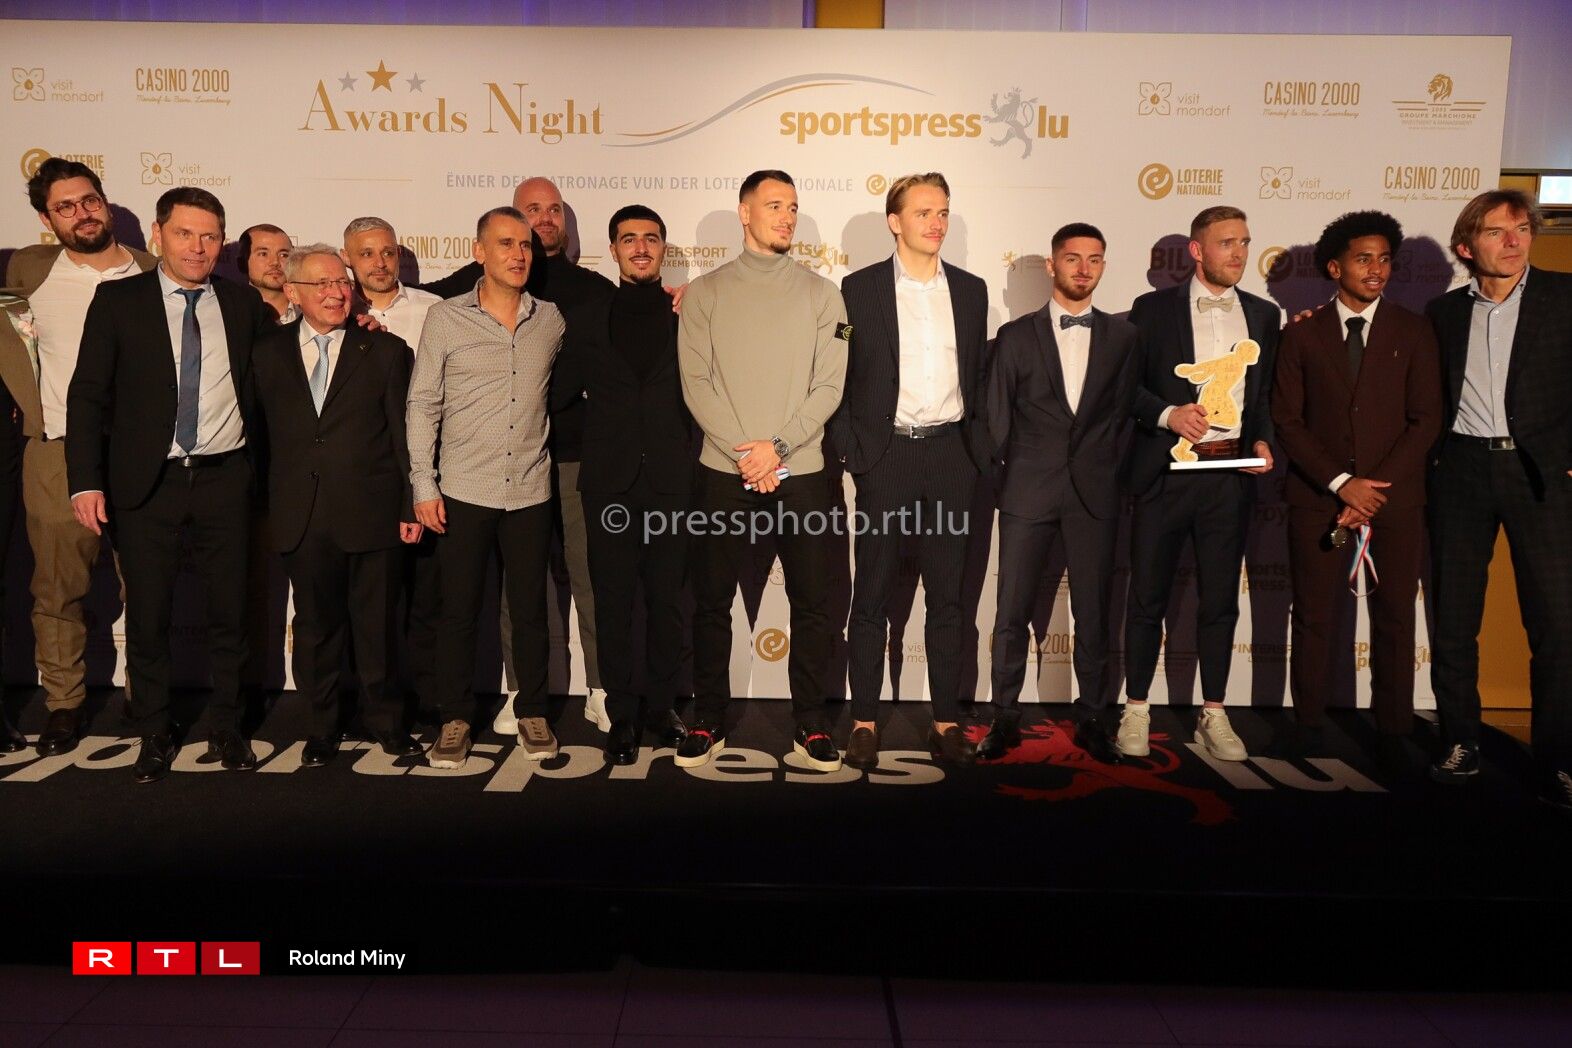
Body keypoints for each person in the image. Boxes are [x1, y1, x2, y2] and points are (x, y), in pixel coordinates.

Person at [66, 186, 273, 783]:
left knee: (231, 613)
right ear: (158, 235)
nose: (197, 247)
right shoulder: (118, 300)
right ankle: (154, 730)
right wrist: (85, 481)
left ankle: (228, 726)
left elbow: (282, 367)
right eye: (184, 233)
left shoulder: (243, 304)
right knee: (149, 615)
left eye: (210, 237)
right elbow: (88, 395)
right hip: (146, 482)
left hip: (225, 478)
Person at [676, 169, 848, 771]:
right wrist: (746, 454)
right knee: (710, 603)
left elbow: (830, 386)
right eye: (774, 205)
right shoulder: (704, 293)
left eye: (793, 207)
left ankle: (811, 724)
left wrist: (775, 447)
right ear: (744, 212)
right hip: (724, 472)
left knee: (814, 603)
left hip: (801, 471)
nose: (787, 216)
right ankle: (707, 719)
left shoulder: (825, 295)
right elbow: (696, 383)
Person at [829, 172, 989, 769]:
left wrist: (978, 449)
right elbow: (837, 368)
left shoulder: (971, 291)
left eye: (943, 212)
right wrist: (854, 450)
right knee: (871, 594)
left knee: (948, 598)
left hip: (951, 458)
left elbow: (979, 377)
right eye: (924, 212)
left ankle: (945, 721)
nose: (936, 223)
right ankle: (864, 721)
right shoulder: (856, 290)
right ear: (895, 222)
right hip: (886, 457)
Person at [1271, 211, 1441, 768]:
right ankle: (1308, 724)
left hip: (1396, 499)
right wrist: (1344, 485)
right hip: (1318, 497)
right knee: (1314, 616)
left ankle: (1393, 728)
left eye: (1385, 259)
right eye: (1364, 259)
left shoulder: (1415, 331)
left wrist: (1373, 490)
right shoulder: (1300, 334)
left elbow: (1426, 419)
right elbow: (1288, 420)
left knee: (1395, 617)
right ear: (1334, 267)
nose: (1376, 270)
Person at [1425, 189, 1572, 810]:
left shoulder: (1564, 297)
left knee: (1558, 624)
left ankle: (1558, 759)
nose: (1514, 241)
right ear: (1467, 247)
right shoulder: (1441, 312)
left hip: (1541, 474)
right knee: (1455, 616)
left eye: (1522, 229)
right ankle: (1461, 740)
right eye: (1496, 232)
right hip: (1460, 469)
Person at [1118, 205, 1280, 762]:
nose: (1239, 253)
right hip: (1165, 474)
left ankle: (1214, 712)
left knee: (1220, 601)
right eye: (1227, 242)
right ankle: (1136, 708)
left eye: (1245, 242)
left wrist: (1263, 442)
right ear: (1197, 250)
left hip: (1228, 480)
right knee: (1147, 597)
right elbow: (1127, 388)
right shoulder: (1151, 309)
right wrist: (1169, 415)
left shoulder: (1265, 315)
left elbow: (1263, 397)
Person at [251, 244, 424, 766]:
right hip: (299, 516)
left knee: (377, 628)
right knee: (315, 629)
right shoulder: (264, 353)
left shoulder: (386, 351)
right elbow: (257, 437)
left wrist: (410, 504)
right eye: (322, 283)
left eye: (342, 283)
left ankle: (387, 723)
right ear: (293, 292)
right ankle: (321, 727)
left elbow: (405, 437)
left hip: (373, 512)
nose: (336, 292)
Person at [7, 158, 155, 756]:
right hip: (58, 451)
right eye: (65, 207)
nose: (82, 213)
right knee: (57, 588)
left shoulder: (151, 269)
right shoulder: (29, 271)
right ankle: (64, 703)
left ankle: (146, 695)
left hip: (140, 452)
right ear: (47, 220)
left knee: (146, 584)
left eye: (89, 200)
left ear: (105, 202)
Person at [407, 206, 564, 770]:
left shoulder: (551, 319)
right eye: (505, 243)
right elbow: (423, 403)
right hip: (463, 489)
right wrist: (423, 484)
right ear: (479, 252)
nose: (518, 254)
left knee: (530, 612)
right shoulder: (446, 318)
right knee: (458, 614)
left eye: (525, 244)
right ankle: (454, 718)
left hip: (529, 489)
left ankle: (533, 711)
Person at [978, 223, 1139, 763]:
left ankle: (1092, 717)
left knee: (1094, 613)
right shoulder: (1015, 337)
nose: (1083, 269)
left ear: (1103, 266)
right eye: (1073, 258)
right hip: (1027, 490)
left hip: (1095, 493)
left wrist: (1110, 474)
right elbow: (996, 420)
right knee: (1011, 611)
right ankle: (1004, 715)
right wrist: (1004, 486)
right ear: (1052, 265)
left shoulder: (1124, 338)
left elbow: (1124, 415)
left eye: (1094, 259)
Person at [563, 205, 694, 764]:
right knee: (612, 604)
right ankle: (620, 716)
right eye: (629, 239)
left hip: (671, 480)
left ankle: (662, 708)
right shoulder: (587, 316)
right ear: (613, 249)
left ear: (663, 248)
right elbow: (559, 393)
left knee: (667, 603)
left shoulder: (690, 313)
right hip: (608, 483)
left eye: (651, 238)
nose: (640, 248)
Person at [237, 223, 295, 323]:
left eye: (283, 255)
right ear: (242, 262)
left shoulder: (311, 311)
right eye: (263, 254)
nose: (275, 262)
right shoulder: (228, 313)